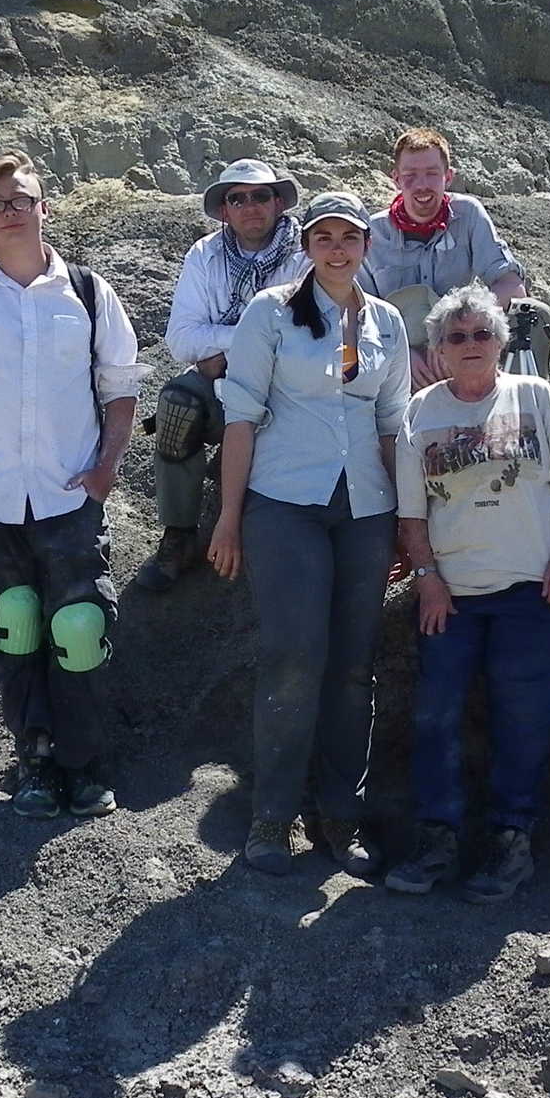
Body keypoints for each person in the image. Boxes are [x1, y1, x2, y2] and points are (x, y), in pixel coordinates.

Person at [0, 151, 145, 821]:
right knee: (16, 625)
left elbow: (122, 384)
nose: (13, 211)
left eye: (24, 199)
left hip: (69, 500)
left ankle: (82, 762)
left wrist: (106, 468)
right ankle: (35, 759)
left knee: (78, 625)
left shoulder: (91, 294)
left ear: (45, 209)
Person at [207, 193, 411, 876]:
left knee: (354, 667)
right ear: (306, 246)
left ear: (365, 246)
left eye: (347, 238)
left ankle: (340, 816)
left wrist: (408, 523)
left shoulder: (385, 323)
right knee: (294, 653)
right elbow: (240, 417)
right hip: (284, 502)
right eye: (323, 237)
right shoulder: (270, 313)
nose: (335, 249)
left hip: (366, 508)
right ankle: (272, 816)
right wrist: (229, 518)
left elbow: (392, 425)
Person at [388, 283, 550, 904]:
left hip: (534, 589)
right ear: (438, 350)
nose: (471, 345)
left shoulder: (536, 397)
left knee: (523, 716)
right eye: (457, 337)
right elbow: (412, 515)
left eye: (482, 334)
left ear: (502, 342)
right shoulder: (420, 414)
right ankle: (437, 838)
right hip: (454, 593)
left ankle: (511, 841)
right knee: (436, 714)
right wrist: (427, 580)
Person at [139, 157, 307, 591]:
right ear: (224, 209)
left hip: (287, 386)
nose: (251, 205)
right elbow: (180, 339)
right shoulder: (204, 254)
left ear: (278, 202)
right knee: (176, 405)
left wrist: (225, 346)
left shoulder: (306, 252)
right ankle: (179, 532)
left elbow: (300, 332)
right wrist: (252, 339)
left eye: (261, 196)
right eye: (238, 198)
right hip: (220, 386)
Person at [363, 127, 550, 388]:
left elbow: (512, 286)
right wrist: (401, 352)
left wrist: (460, 332)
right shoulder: (372, 233)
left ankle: (527, 415)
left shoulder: (469, 214)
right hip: (399, 351)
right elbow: (358, 312)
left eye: (432, 174)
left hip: (463, 338)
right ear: (395, 178)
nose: (422, 185)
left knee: (532, 314)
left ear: (448, 177)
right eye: (410, 175)